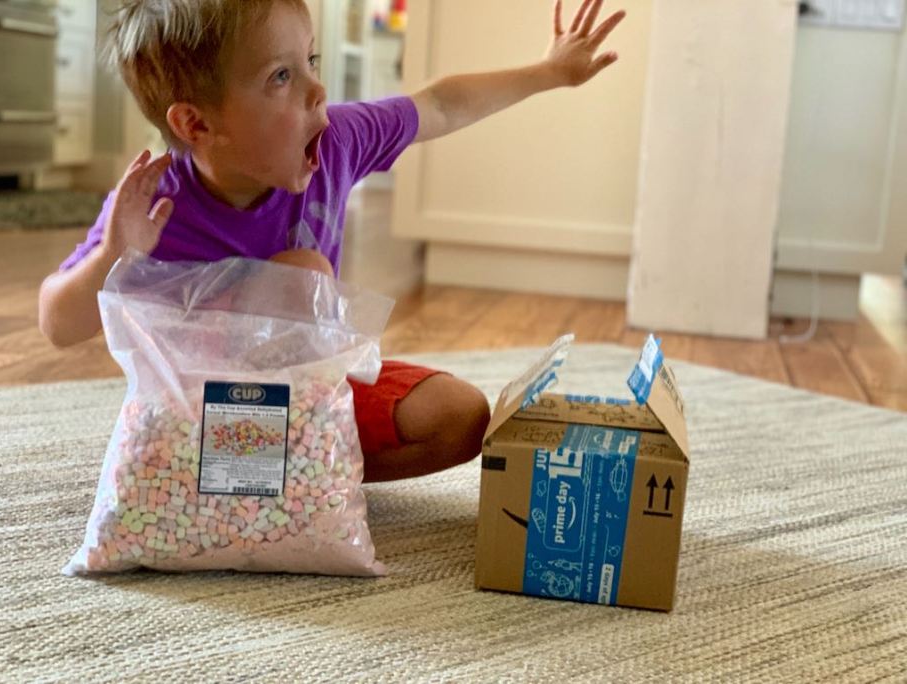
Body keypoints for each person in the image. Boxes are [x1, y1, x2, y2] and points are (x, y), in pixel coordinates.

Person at [38, 0, 626, 482]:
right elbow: (57, 324)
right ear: (197, 125)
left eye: (310, 60)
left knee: (459, 417)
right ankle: (252, 474)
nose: (317, 90)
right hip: (199, 419)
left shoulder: (336, 140)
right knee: (304, 270)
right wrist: (116, 256)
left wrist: (550, 72)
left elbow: (440, 105)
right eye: (281, 77)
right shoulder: (154, 203)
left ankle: (293, 477)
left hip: (311, 404)